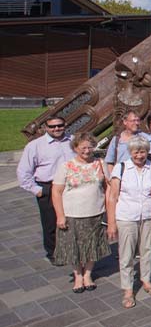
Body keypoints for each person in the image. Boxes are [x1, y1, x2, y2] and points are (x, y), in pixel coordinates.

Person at [106, 136, 151, 308]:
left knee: (147, 250)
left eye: (142, 151)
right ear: (130, 152)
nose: (139, 155)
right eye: (136, 152)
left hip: (149, 215)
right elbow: (112, 197)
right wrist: (111, 223)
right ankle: (128, 289)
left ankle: (146, 280)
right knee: (126, 254)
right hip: (127, 216)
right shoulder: (121, 168)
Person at [51, 133, 108, 292]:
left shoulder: (100, 164)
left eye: (90, 147)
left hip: (95, 211)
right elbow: (56, 191)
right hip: (72, 213)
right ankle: (77, 275)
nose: (87, 150)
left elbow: (108, 187)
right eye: (83, 147)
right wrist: (60, 215)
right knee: (73, 246)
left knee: (92, 245)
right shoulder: (66, 166)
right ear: (75, 148)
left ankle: (88, 274)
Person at [17, 116, 75, 260]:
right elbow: (23, 172)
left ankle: (71, 248)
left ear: (65, 125)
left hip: (71, 186)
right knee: (51, 222)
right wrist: (37, 190)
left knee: (73, 219)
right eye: (52, 126)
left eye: (60, 125)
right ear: (45, 127)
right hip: (48, 186)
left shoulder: (73, 141)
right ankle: (54, 253)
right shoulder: (35, 146)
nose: (56, 129)